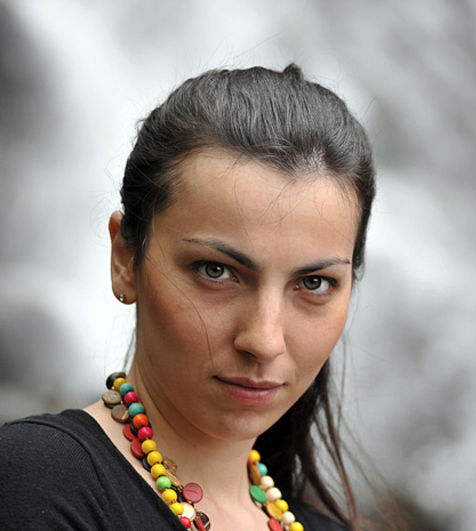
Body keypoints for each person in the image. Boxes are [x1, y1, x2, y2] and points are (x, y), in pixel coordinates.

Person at [0, 64, 378, 530]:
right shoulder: (36, 481)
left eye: (314, 283)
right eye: (216, 271)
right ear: (125, 259)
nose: (264, 341)